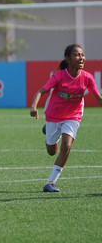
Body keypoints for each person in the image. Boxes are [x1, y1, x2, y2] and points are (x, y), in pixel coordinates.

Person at [29, 44, 102, 193]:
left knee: (66, 146)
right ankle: (47, 130)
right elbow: (41, 92)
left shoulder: (87, 77)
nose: (81, 58)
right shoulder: (59, 76)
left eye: (82, 55)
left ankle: (50, 183)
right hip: (53, 116)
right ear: (67, 59)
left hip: (73, 116)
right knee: (51, 151)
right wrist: (33, 107)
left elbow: (99, 98)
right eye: (77, 55)